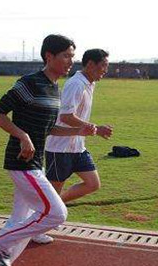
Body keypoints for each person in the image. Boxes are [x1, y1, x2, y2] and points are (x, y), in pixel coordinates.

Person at [0, 34, 95, 266]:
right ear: (48, 56)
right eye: (65, 56)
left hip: (35, 161)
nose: (70, 62)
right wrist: (22, 136)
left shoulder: (54, 88)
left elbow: (49, 128)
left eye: (72, 57)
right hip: (21, 161)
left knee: (20, 217)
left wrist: (77, 130)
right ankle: (0, 239)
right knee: (56, 213)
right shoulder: (29, 83)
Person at [43, 49, 113, 224]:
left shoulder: (90, 83)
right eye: (103, 65)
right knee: (53, 193)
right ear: (90, 64)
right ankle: (38, 226)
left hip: (78, 147)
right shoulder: (76, 84)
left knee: (93, 184)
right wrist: (95, 128)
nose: (105, 70)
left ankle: (56, 207)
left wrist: (95, 130)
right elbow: (66, 116)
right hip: (60, 148)